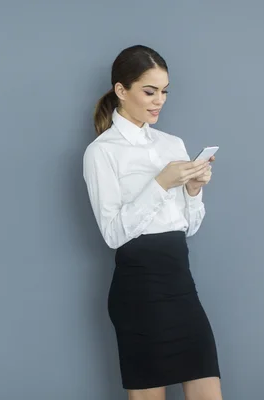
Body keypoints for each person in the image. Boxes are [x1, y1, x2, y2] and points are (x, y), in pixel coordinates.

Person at [82, 45, 223, 400]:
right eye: (149, 91)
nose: (159, 100)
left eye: (164, 91)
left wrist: (192, 189)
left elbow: (188, 228)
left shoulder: (172, 144)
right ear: (121, 90)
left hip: (180, 284)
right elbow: (113, 234)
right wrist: (161, 183)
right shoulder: (102, 151)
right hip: (138, 291)